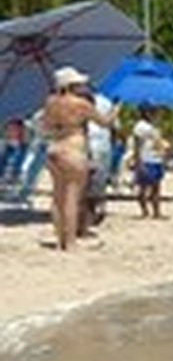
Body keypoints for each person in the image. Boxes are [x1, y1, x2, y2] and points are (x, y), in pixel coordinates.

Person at [41, 67, 118, 251]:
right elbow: (105, 122)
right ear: (70, 85)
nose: (82, 86)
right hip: (74, 148)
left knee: (57, 197)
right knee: (72, 197)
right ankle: (70, 242)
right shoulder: (81, 104)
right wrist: (116, 110)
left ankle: (60, 240)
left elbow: (45, 127)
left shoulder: (50, 103)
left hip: (55, 148)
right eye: (78, 84)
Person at [74, 81, 114, 233]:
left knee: (69, 192)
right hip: (95, 145)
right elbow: (107, 123)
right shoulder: (100, 103)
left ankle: (71, 227)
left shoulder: (57, 103)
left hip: (66, 149)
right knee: (90, 187)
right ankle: (86, 220)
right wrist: (115, 110)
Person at [131, 106, 168, 219]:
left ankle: (156, 211)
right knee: (143, 187)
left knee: (156, 187)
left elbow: (158, 143)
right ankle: (145, 211)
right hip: (145, 159)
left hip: (156, 159)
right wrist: (138, 161)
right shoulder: (140, 126)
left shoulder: (155, 126)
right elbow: (136, 145)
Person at [1, 117, 28, 182]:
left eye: (15, 129)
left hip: (11, 180)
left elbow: (22, 168)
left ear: (20, 130)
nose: (11, 131)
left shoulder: (24, 149)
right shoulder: (3, 145)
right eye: (9, 129)